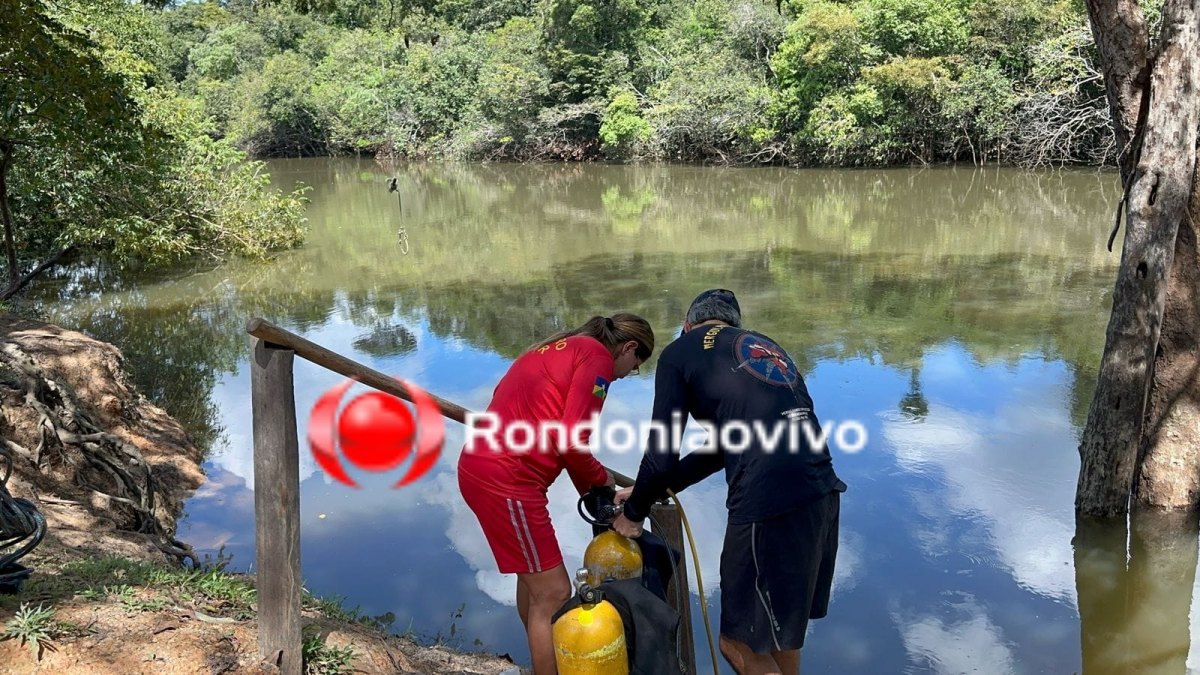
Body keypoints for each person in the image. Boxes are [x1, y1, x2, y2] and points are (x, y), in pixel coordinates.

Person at [612, 289, 846, 675]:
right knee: (780, 635)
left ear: (687, 324)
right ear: (733, 325)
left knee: (737, 643)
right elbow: (720, 449)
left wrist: (633, 514)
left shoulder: (679, 352)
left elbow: (661, 452)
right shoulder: (765, 345)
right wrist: (647, 490)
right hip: (821, 490)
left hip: (766, 499)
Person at [457, 313, 655, 675]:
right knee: (553, 593)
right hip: (508, 480)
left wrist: (599, 494)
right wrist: (602, 478)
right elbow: (572, 441)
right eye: (636, 364)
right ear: (628, 348)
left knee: (535, 586)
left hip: (487, 469)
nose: (630, 373)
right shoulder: (597, 358)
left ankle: (540, 665)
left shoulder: (556, 349)